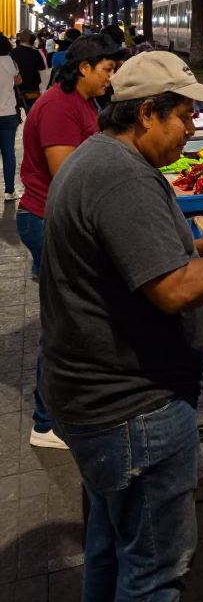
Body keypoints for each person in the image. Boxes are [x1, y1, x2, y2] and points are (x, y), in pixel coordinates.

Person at [40, 51, 203, 601]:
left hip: (91, 400)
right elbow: (174, 291)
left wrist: (198, 245)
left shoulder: (99, 158)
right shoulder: (121, 180)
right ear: (145, 116)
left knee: (110, 544)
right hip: (132, 409)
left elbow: (129, 256)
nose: (192, 129)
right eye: (183, 117)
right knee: (155, 572)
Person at [18, 32, 121, 447]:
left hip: (55, 218)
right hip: (46, 220)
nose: (110, 78)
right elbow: (67, 176)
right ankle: (46, 424)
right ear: (84, 68)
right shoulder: (59, 107)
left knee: (71, 320)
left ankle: (68, 408)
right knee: (63, 325)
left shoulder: (81, 101)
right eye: (107, 70)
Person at [0, 33, 23, 200]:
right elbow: (18, 81)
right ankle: (9, 190)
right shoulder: (11, 62)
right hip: (8, 113)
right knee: (8, 152)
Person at [11, 30, 46, 114]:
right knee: (32, 115)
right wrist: (43, 91)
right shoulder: (36, 53)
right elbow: (43, 73)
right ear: (32, 40)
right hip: (33, 91)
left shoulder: (12, 53)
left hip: (16, 92)